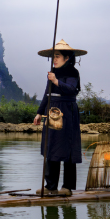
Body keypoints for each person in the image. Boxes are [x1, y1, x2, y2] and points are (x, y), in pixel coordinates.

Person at [32, 39, 87, 196]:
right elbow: (46, 94)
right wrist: (39, 112)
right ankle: (50, 186)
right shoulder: (52, 73)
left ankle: (67, 187)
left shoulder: (73, 73)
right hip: (52, 110)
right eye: (53, 56)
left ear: (66, 58)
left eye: (57, 56)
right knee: (51, 146)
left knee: (68, 147)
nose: (54, 59)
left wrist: (56, 81)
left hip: (67, 111)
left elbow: (71, 90)